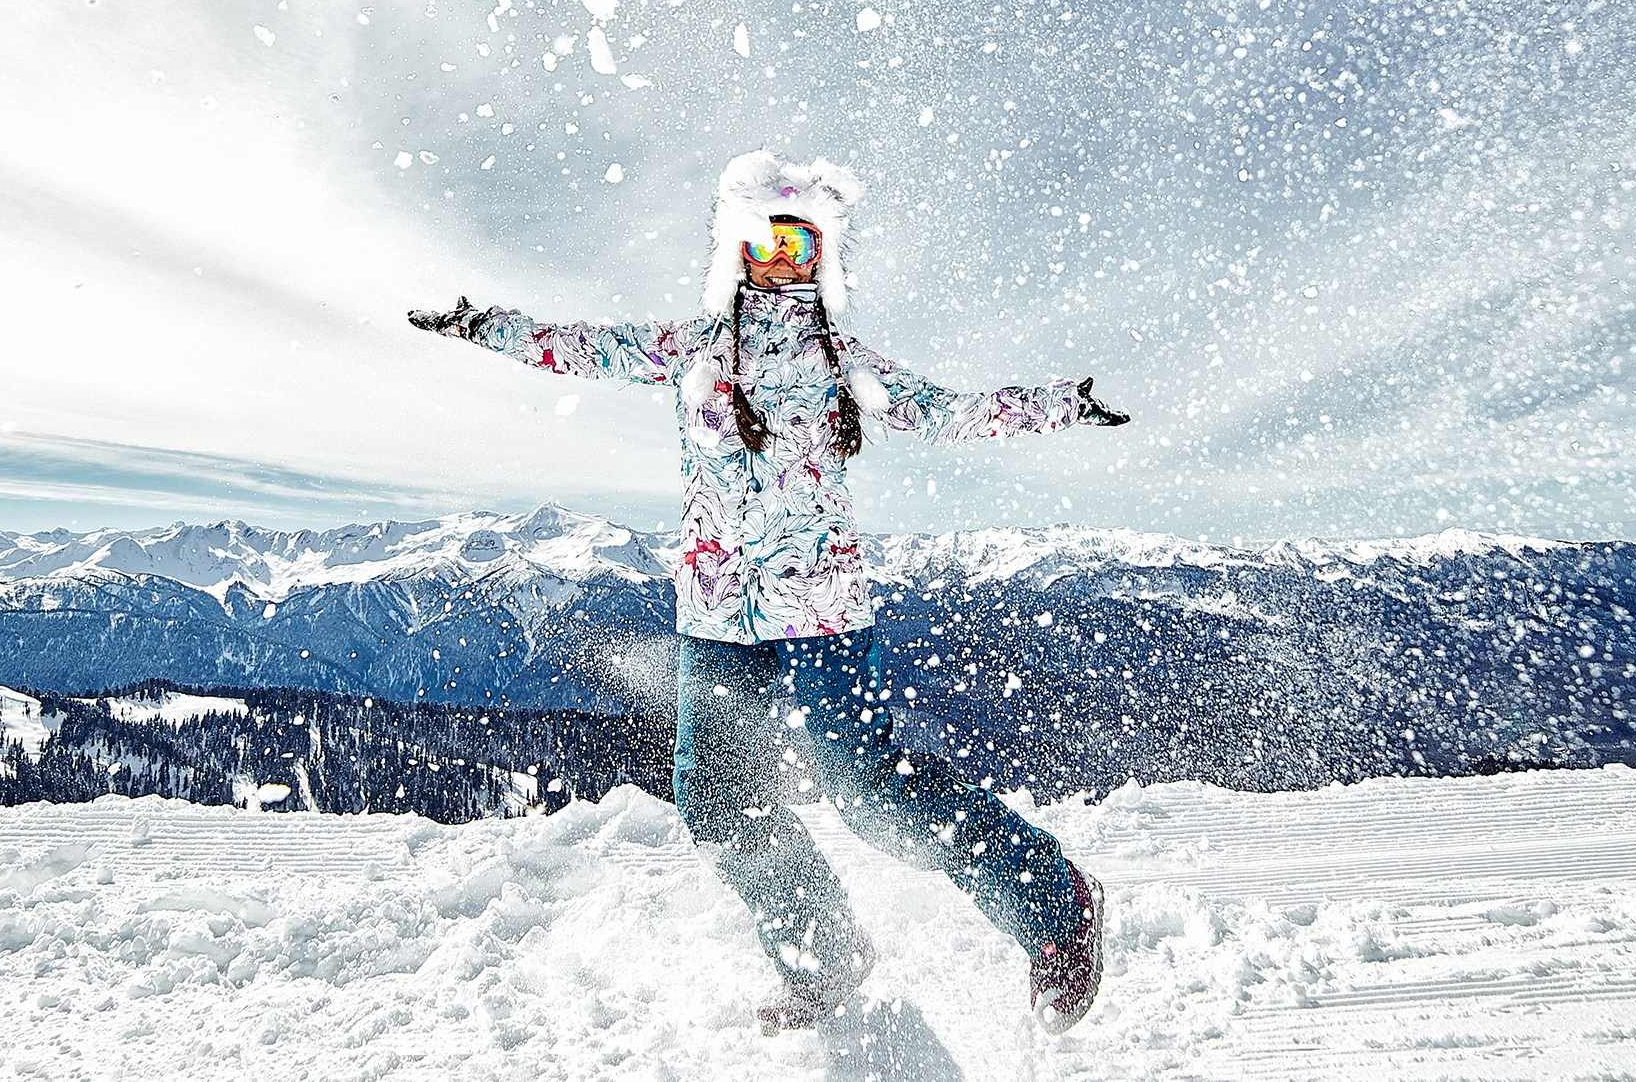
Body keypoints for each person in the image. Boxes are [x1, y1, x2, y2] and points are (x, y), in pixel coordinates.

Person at [409, 150, 1131, 1034]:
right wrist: (482, 326)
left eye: (805, 242)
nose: (786, 257)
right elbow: (581, 347)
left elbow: (945, 410)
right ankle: (825, 952)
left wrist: (1057, 404)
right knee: (714, 796)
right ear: (739, 245)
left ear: (822, 253)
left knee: (869, 793)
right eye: (770, 238)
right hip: (715, 615)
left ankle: (1056, 904)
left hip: (821, 611)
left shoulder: (842, 364)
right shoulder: (694, 350)